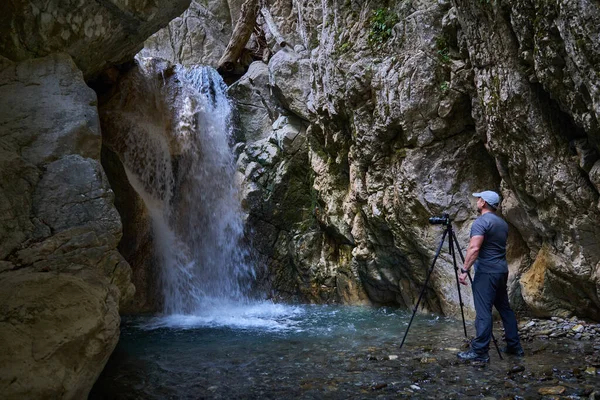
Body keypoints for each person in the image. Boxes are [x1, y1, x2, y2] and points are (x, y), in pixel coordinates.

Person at [457, 190, 524, 362]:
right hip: (501, 271)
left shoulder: (481, 222)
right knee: (505, 309)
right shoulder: (502, 223)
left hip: (486, 273)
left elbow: (474, 248)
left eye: (479, 199)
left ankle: (480, 352)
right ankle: (514, 346)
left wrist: (464, 270)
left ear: (484, 203)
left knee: (483, 312)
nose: (477, 201)